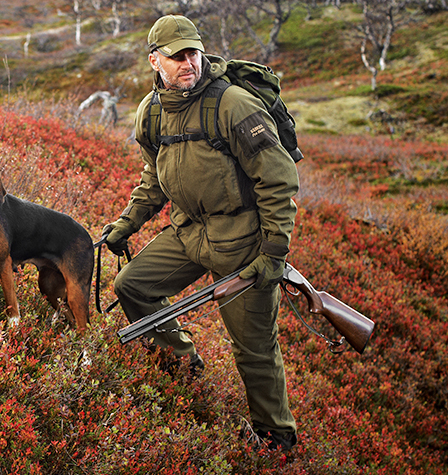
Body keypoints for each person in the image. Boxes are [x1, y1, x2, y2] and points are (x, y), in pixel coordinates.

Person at [100, 14, 300, 451]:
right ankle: (183, 361)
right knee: (132, 285)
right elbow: (154, 176)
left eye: (193, 53)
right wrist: (127, 223)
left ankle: (277, 437)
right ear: (155, 61)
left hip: (243, 243)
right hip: (190, 232)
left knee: (253, 349)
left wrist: (273, 254)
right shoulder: (151, 113)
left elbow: (279, 181)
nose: (188, 62)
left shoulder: (233, 105)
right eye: (177, 56)